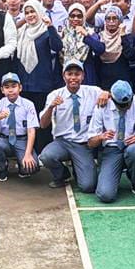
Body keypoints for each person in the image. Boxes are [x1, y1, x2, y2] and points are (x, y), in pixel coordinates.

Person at [38, 59, 108, 192]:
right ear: (64, 76)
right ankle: (62, 174)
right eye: (69, 74)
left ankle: (79, 167)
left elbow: (110, 95)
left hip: (83, 144)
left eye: (77, 74)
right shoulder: (55, 95)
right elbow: (43, 124)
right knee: (46, 156)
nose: (73, 78)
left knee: (88, 186)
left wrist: (107, 93)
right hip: (62, 142)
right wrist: (51, 107)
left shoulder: (93, 91)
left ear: (83, 76)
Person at [13, 0, 63, 146]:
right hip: (25, 83)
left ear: (39, 12)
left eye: (32, 11)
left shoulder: (45, 31)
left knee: (42, 119)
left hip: (42, 83)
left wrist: (50, 27)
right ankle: (30, 149)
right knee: (27, 119)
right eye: (27, 12)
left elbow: (57, 46)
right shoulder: (21, 32)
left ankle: (43, 149)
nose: (30, 15)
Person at [90, 79, 135, 202]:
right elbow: (91, 142)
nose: (125, 107)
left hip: (131, 146)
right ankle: (112, 172)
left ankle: (134, 179)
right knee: (105, 195)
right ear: (111, 98)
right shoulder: (101, 106)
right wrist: (101, 136)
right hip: (111, 149)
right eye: (121, 105)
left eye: (128, 104)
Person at [0, 71, 39, 182]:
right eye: (6, 87)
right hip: (4, 139)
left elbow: (31, 131)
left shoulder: (28, 104)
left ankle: (22, 165)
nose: (10, 90)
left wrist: (28, 154)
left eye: (14, 86)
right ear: (2, 90)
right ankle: (3, 165)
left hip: (22, 139)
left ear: (20, 88)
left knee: (32, 168)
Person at [89, 8, 135, 89]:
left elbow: (130, 56)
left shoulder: (125, 37)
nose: (111, 22)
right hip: (103, 83)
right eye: (108, 19)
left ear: (120, 21)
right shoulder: (99, 37)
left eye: (114, 18)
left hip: (122, 83)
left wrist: (123, 36)